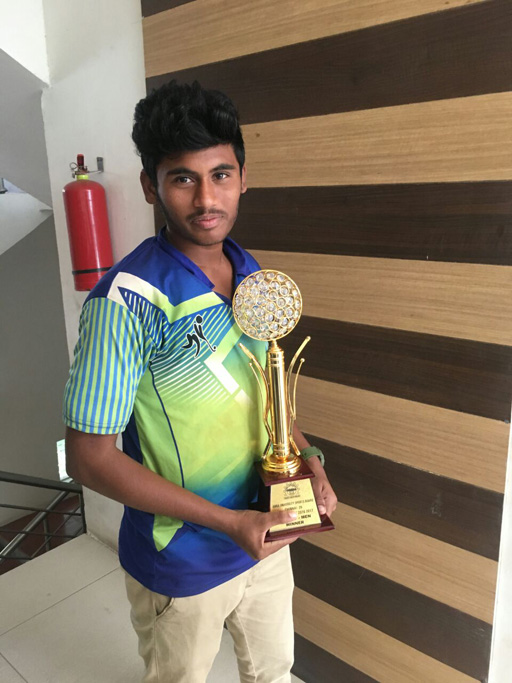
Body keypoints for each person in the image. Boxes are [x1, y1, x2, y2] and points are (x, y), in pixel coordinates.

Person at [63, 80, 337, 683]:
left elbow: (268, 393)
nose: (207, 198)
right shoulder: (127, 301)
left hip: (267, 534)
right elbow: (88, 458)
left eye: (221, 174)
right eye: (183, 178)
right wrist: (229, 524)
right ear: (151, 186)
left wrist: (308, 459)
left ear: (243, 178)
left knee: (274, 671)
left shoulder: (249, 271)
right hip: (182, 560)